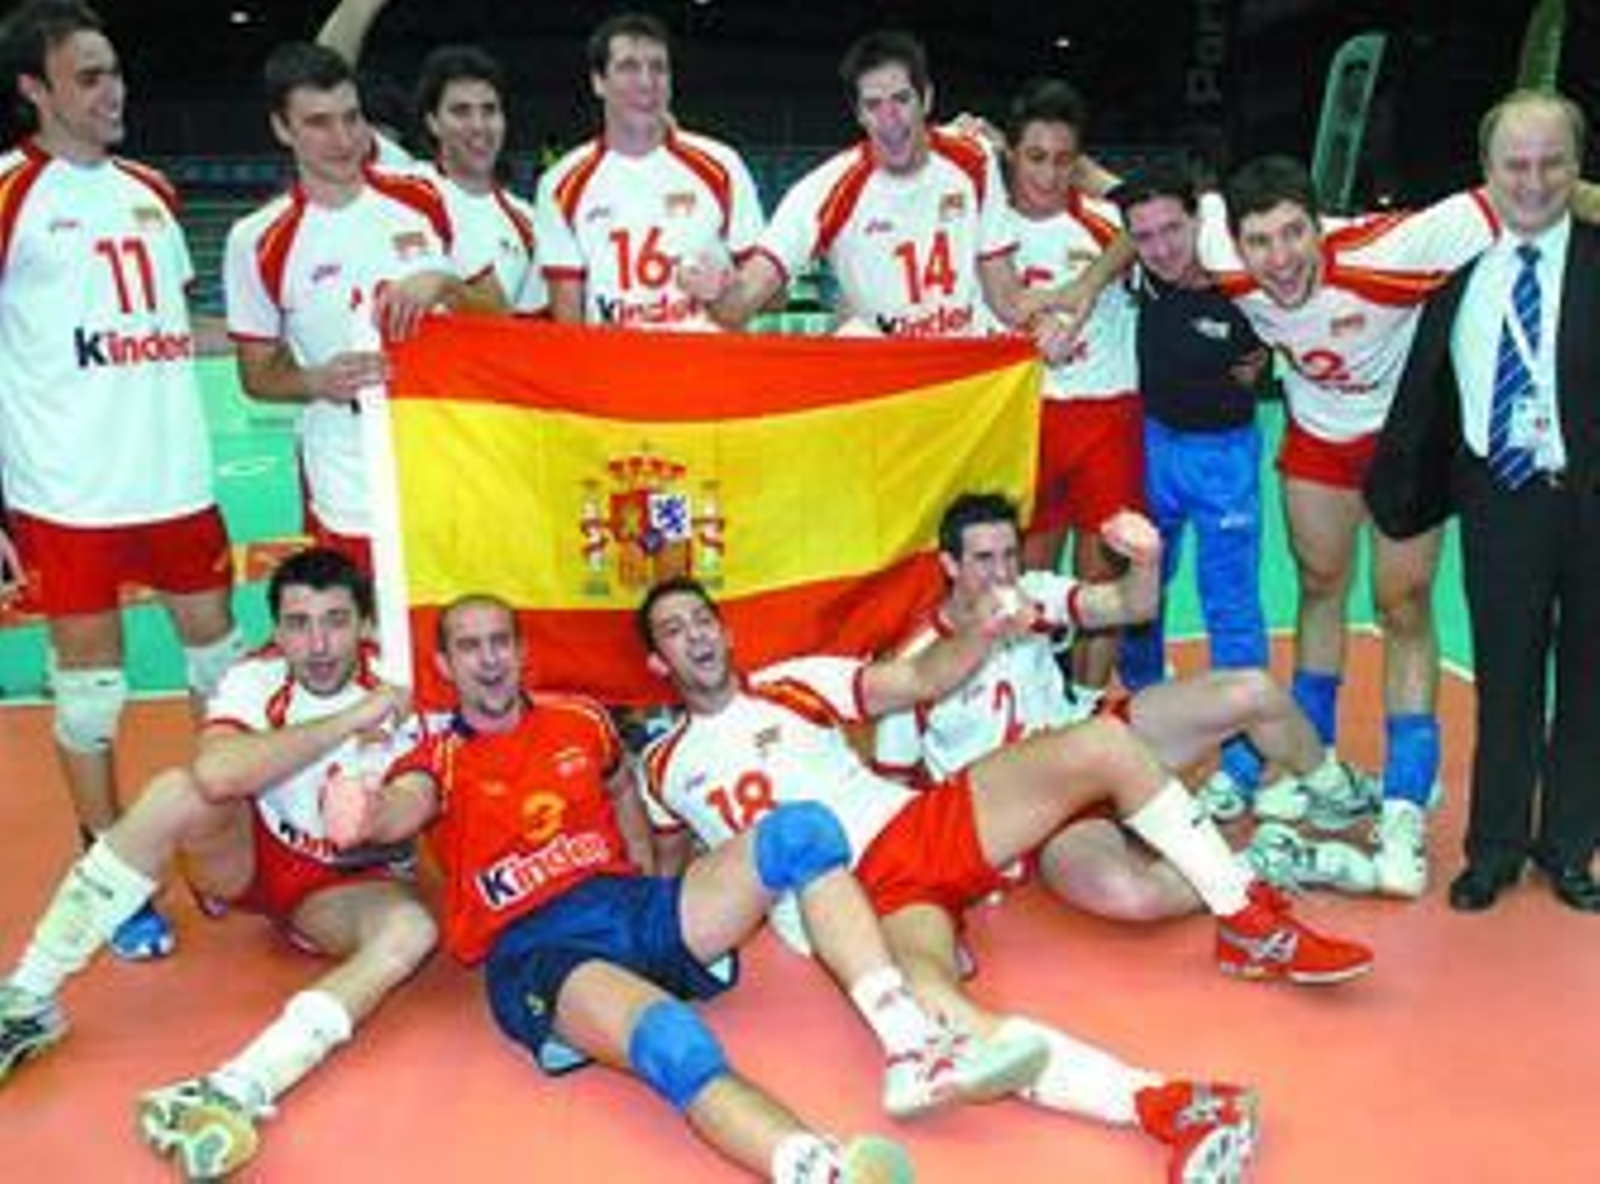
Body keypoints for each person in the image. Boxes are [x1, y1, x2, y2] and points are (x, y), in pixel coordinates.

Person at [639, 576, 1378, 1179]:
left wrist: (986, 628)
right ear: (656, 663)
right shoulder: (661, 768)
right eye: (675, 630)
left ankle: (1245, 918)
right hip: (857, 909)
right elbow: (672, 878)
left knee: (1101, 742)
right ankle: (1173, 1106)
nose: (696, 635)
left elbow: (920, 675)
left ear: (727, 632)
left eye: (704, 620)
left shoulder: (793, 684)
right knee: (942, 1019)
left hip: (914, 826)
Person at [320, 595, 1028, 1184]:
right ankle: (816, 1167)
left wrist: (646, 876)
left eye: (500, 641)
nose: (490, 658)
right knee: (673, 1041)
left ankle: (912, 1049)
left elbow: (621, 784)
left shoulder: (581, 719)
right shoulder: (437, 755)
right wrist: (367, 812)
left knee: (803, 832)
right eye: (470, 647)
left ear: (521, 651)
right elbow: (406, 805)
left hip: (634, 908)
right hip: (544, 946)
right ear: (445, 664)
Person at [0, 548, 435, 1180]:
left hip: (346, 889)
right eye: (297, 623)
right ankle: (27, 999)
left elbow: (414, 808)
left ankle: (236, 1088)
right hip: (250, 858)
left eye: (336, 621)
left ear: (365, 626)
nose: (316, 644)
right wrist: (348, 721)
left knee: (413, 932)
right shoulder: (256, 677)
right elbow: (216, 771)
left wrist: (372, 810)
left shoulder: (403, 687)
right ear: (276, 630)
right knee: (181, 789)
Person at [0, 0, 245, 958]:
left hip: (176, 477)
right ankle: (110, 869)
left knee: (220, 672)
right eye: (89, 76)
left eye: (114, 71)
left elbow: (166, 331)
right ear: (35, 89)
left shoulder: (152, 191)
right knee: (91, 695)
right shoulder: (14, 195)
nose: (114, 90)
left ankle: (221, 845)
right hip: (71, 493)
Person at [1201, 153, 1504, 898]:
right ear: (1239, 245)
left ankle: (1403, 804)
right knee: (1317, 587)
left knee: (1403, 605)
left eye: (1294, 234)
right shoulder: (1224, 258)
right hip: (1316, 440)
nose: (1279, 259)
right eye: (1261, 242)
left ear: (1320, 226)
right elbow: (1187, 203)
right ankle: (1316, 765)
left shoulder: (1390, 252)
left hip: (1405, 439)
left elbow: (1521, 191)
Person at [874, 493, 1380, 917]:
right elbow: (895, 788)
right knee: (1130, 896)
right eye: (984, 559)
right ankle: (1268, 860)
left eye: (1010, 555)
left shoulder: (1033, 596)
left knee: (1251, 690)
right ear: (948, 565)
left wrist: (1147, 558)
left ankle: (1335, 791)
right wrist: (956, 873)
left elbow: (1132, 606)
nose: (1002, 573)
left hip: (1099, 745)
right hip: (1038, 810)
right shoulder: (921, 661)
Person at [1368, 89, 1600, 914]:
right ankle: (1495, 848)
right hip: (1502, 503)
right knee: (1505, 682)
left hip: (1594, 503)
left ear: (1577, 166)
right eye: (1516, 164)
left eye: (1551, 163)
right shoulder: (1455, 275)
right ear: (1487, 171)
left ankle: (1570, 848)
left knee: (1587, 683)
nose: (1533, 182)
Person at [223, 41, 498, 571]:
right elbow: (257, 377)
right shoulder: (256, 239)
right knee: (364, 629)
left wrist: (444, 284)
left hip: (447, 454)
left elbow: (497, 316)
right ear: (283, 129)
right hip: (348, 473)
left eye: (352, 118)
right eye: (320, 123)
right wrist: (315, 381)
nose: (343, 139)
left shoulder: (425, 194)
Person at [686, 29, 1053, 347]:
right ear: (858, 114)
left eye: (901, 99)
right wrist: (720, 289)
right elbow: (743, 301)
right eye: (874, 105)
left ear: (926, 98)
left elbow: (1004, 297)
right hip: (886, 386)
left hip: (960, 379)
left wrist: (1042, 324)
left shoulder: (974, 159)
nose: (890, 120)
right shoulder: (824, 190)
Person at [1108, 163, 1275, 815]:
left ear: (1199, 222)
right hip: (1152, 448)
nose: (1161, 248)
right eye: (1144, 236)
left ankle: (1241, 760)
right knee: (1143, 589)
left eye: (1172, 229)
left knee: (1230, 607)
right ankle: (1150, 708)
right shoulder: (1147, 277)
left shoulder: (1249, 289)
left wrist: (1263, 358)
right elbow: (1096, 181)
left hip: (1224, 459)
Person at [999, 78, 1144, 707]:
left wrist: (1086, 283)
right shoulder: (988, 227)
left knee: (1101, 575)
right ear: (1012, 153)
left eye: (1064, 160)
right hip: (1024, 418)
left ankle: (1084, 713)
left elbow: (1173, 213)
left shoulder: (1113, 222)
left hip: (1107, 413)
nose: (1050, 174)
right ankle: (1029, 706)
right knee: (1024, 575)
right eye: (1035, 157)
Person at [532, 11, 764, 331]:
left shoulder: (721, 164)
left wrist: (727, 284)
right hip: (618, 374)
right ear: (598, 82)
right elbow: (568, 320)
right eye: (628, 68)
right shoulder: (560, 184)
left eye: (658, 68)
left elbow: (775, 295)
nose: (646, 82)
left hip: (709, 371)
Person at [315, 0, 544, 312]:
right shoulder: (402, 179)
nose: (478, 126)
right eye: (460, 112)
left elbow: (525, 331)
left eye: (489, 111)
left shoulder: (528, 221)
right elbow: (322, 83)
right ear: (433, 122)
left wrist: (449, 287)